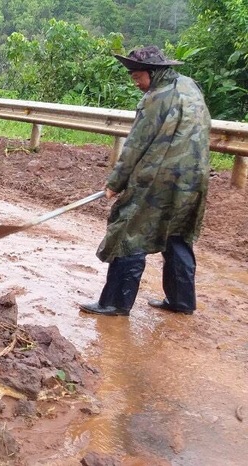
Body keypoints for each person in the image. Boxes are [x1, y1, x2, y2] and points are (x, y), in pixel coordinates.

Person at [79, 45, 211, 317]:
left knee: (129, 233)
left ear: (154, 72)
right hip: (195, 178)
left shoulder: (154, 99)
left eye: (138, 77)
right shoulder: (190, 86)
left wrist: (115, 183)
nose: (136, 82)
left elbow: (135, 146)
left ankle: (115, 303)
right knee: (177, 234)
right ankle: (181, 301)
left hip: (158, 180)